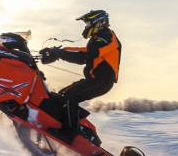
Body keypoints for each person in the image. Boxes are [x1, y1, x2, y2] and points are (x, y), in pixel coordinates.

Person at [38, 10, 121, 143]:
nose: (86, 26)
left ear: (98, 22)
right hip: (93, 80)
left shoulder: (107, 36)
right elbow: (83, 55)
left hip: (103, 82)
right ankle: (75, 127)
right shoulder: (95, 39)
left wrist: (60, 53)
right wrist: (58, 52)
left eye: (88, 23)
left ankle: (71, 133)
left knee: (72, 96)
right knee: (63, 94)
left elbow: (88, 54)